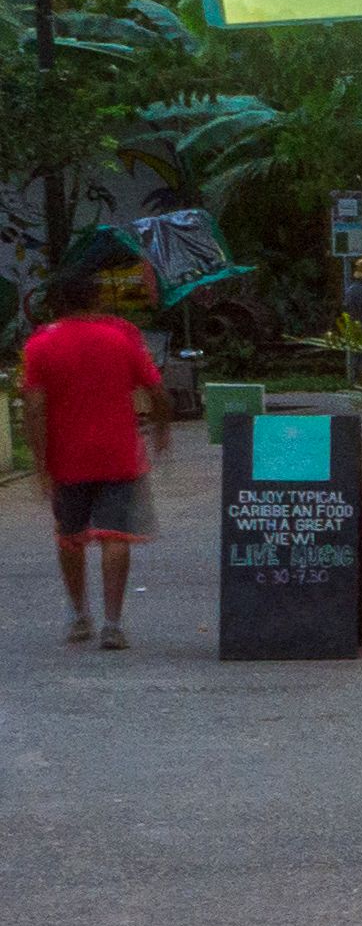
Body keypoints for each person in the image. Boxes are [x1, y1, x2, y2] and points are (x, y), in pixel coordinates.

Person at [21, 269, 172, 652]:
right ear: (96, 298)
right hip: (118, 454)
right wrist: (162, 431)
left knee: (70, 537)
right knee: (114, 536)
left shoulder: (40, 344)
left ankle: (79, 615)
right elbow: (157, 392)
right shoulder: (121, 337)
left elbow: (34, 409)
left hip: (66, 458)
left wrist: (40, 464)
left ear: (58, 303)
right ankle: (112, 625)